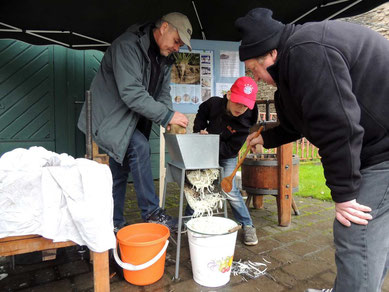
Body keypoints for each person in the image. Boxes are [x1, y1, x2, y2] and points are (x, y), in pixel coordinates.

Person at [235, 7, 389, 292]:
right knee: (374, 240)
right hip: (375, 146)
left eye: (253, 69)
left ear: (270, 55)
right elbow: (298, 123)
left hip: (383, 151)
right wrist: (265, 139)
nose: (254, 78)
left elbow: (338, 126)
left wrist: (344, 196)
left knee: (354, 232)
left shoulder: (307, 52)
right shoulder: (293, 64)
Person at [77, 12, 193, 233]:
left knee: (119, 172)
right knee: (139, 147)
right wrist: (167, 116)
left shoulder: (165, 58)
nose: (177, 47)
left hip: (131, 122)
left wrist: (169, 115)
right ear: (164, 27)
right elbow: (131, 93)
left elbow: (163, 94)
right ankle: (151, 213)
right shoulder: (127, 46)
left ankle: (113, 224)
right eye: (177, 41)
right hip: (110, 118)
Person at [188, 76, 259, 245]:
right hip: (205, 150)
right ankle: (188, 219)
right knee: (198, 183)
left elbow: (231, 149)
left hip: (226, 156)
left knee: (229, 190)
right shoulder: (213, 103)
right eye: (237, 102)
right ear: (229, 95)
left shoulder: (244, 122)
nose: (240, 108)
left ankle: (247, 225)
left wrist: (209, 145)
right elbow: (201, 113)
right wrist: (199, 131)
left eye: (245, 105)